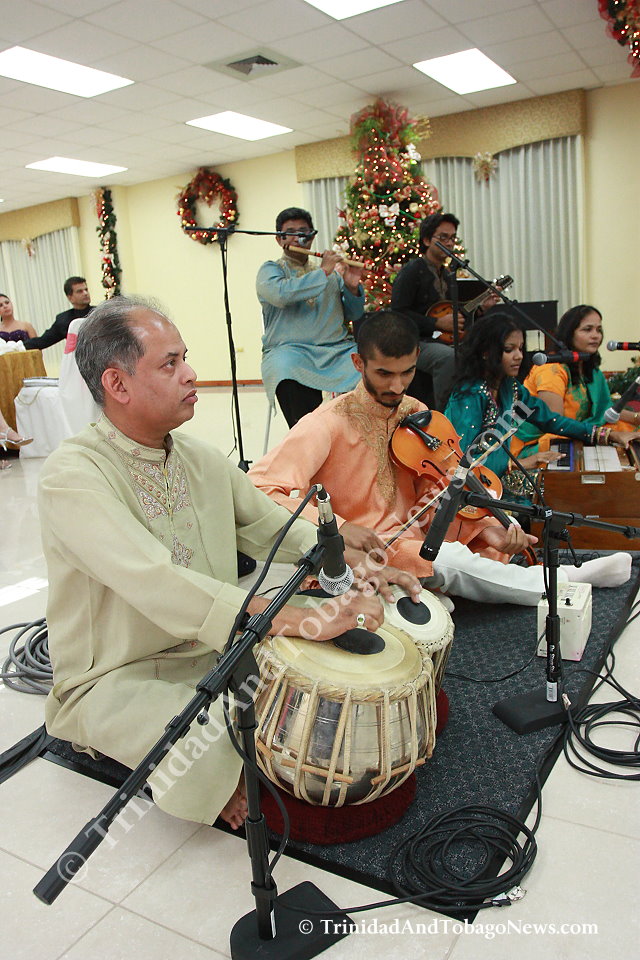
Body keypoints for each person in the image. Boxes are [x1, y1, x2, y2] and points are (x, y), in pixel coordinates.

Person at [39, 296, 418, 829]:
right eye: (170, 364)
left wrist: (357, 561)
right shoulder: (73, 475)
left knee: (338, 676)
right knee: (207, 739)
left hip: (220, 647)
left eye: (185, 358)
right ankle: (202, 773)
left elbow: (275, 526)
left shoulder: (199, 457)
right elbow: (156, 581)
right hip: (119, 675)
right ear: (117, 384)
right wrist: (283, 617)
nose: (191, 374)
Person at [249, 311, 633, 607]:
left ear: (418, 359)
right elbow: (261, 487)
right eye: (384, 374)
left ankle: (459, 583)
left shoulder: (415, 410)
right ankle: (564, 581)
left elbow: (440, 488)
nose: (396, 386)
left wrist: (486, 527)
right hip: (367, 551)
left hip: (419, 535)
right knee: (452, 561)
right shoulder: (325, 424)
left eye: (407, 372)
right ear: (358, 363)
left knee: (479, 542)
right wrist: (339, 528)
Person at [444, 312, 640, 499]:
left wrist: (607, 435)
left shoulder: (509, 387)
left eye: (521, 348)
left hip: (496, 479)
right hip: (467, 495)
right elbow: (461, 464)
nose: (519, 356)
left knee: (571, 492)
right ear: (486, 353)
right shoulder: (469, 395)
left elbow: (551, 420)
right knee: (560, 497)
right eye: (509, 349)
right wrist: (518, 463)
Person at [257, 206, 364, 428]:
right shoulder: (271, 270)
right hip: (290, 351)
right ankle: (307, 437)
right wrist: (323, 272)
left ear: (312, 236)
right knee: (284, 369)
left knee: (366, 367)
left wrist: (352, 287)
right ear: (279, 239)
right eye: (290, 232)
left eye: (304, 232)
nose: (298, 238)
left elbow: (353, 314)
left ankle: (353, 436)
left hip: (336, 350)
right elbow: (281, 295)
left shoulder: (331, 275)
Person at [391, 213, 501, 410]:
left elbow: (455, 316)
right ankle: (446, 414)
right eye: (443, 237)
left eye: (452, 238)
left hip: (441, 339)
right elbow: (398, 314)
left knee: (486, 348)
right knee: (448, 358)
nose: (449, 243)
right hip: (414, 343)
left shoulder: (448, 274)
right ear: (426, 240)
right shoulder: (412, 271)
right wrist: (436, 323)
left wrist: (482, 308)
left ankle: (485, 409)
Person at [513, 304, 640, 457]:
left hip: (579, 434)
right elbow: (555, 424)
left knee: (631, 435)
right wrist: (606, 435)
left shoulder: (590, 369)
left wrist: (636, 418)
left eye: (598, 330)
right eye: (587, 329)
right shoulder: (551, 370)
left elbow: (605, 411)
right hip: (538, 444)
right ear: (569, 334)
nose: (595, 335)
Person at [24, 277, 93, 351]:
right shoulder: (64, 319)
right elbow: (43, 341)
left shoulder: (99, 313)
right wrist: (19, 346)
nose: (85, 293)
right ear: (70, 298)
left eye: (86, 290)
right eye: (80, 291)